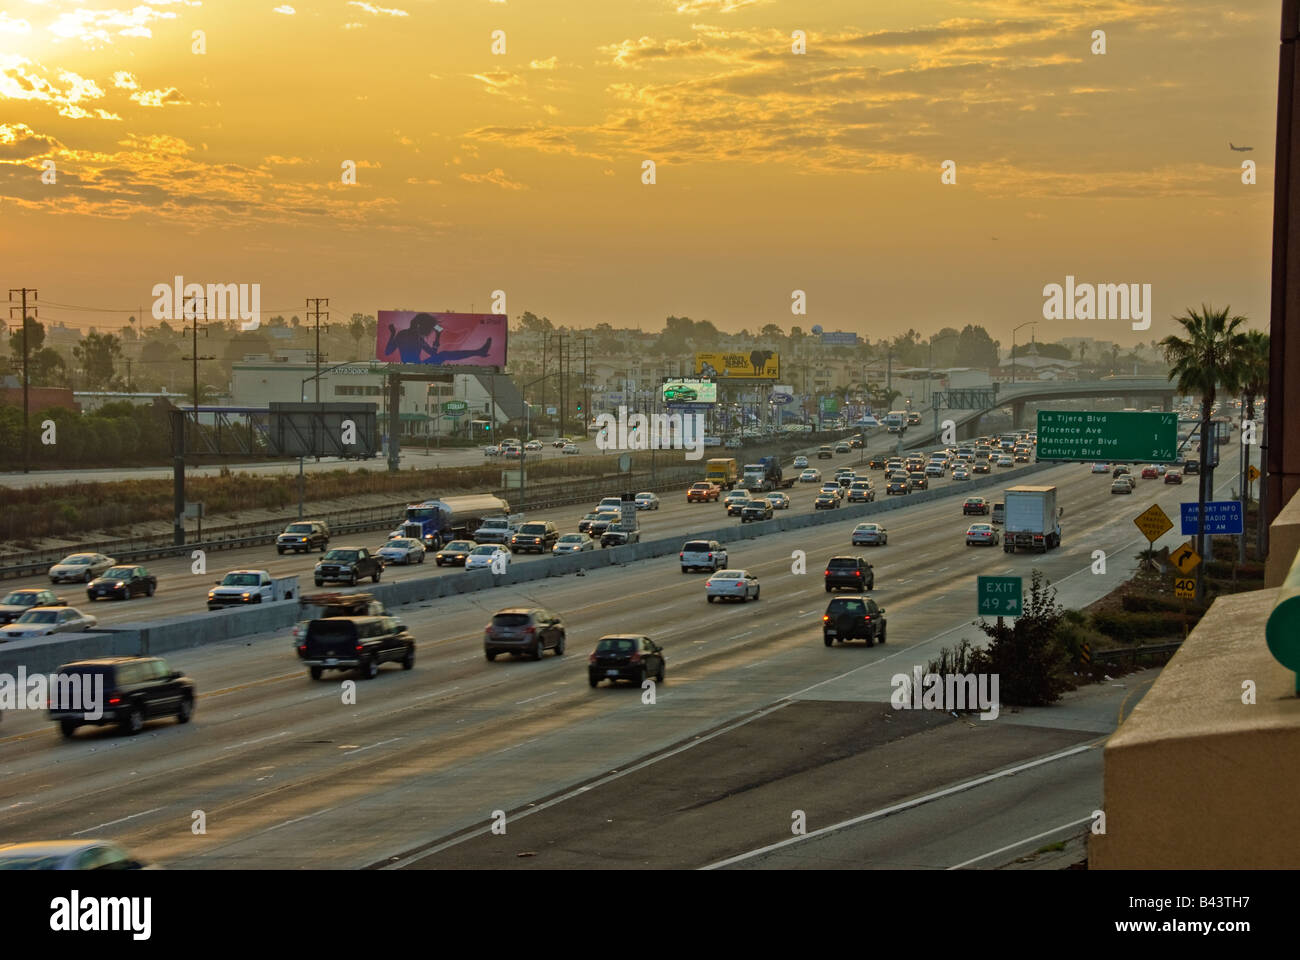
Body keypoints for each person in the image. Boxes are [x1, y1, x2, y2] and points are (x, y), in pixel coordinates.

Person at [385, 313, 494, 364]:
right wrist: (437, 336)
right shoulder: (417, 338)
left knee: (444, 354)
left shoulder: (401, 335)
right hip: (418, 366)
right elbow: (433, 353)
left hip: (413, 365)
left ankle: (479, 352)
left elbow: (388, 352)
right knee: (444, 354)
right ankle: (479, 352)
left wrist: (392, 334)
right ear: (419, 326)